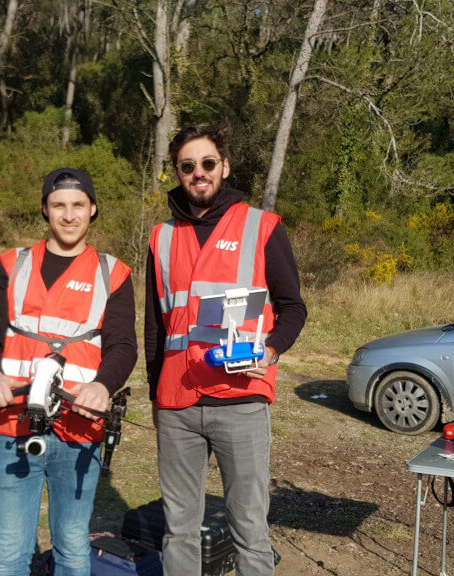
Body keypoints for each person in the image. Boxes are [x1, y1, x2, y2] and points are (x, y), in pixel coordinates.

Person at [145, 125, 307, 575]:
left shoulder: (262, 227)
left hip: (241, 397)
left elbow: (293, 308)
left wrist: (271, 352)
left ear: (225, 167)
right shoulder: (160, 238)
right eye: (188, 166)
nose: (199, 173)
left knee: (249, 528)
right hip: (176, 401)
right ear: (177, 173)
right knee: (178, 529)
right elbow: (154, 327)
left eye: (208, 163)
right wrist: (155, 394)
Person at [0, 168, 137, 576]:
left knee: (74, 550)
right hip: (12, 423)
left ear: (92, 210)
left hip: (80, 429)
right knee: (10, 555)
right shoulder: (13, 264)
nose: (68, 214)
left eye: (78, 205)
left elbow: (122, 346)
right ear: (45, 209)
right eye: (58, 204)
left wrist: (103, 385)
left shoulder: (112, 273)